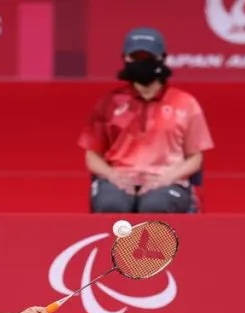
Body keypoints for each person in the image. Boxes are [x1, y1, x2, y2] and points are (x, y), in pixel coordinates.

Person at [79, 26, 214, 214]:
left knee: (154, 207)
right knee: (111, 206)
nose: (141, 63)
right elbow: (92, 156)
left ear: (162, 59)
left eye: (148, 57)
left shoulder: (185, 103)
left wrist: (167, 179)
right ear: (125, 59)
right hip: (118, 179)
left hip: (168, 181)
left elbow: (195, 158)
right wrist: (113, 176)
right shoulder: (109, 103)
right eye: (135, 57)